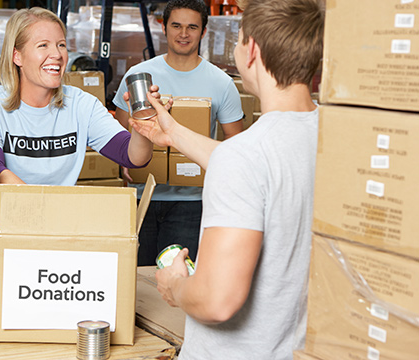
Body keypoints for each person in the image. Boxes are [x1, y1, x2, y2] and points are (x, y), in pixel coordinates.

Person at [128, 0, 324, 358]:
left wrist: (176, 285)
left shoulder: (246, 155)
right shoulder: (329, 135)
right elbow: (260, 167)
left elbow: (217, 301)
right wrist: (171, 133)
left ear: (252, 51)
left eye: (238, 40)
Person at [113, 0, 244, 266]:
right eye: (176, 25)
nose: (184, 34)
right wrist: (122, 165)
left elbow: (235, 141)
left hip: (191, 202)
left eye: (192, 27)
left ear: (203, 32)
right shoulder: (139, 76)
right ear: (164, 27)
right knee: (134, 280)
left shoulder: (221, 83)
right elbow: (119, 133)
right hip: (141, 196)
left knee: (180, 281)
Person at [0, 7, 152, 185]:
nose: (56, 54)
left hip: (59, 213)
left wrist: (143, 124)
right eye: (43, 45)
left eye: (61, 45)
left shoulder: (82, 105)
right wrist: (44, 209)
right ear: (17, 56)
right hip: (8, 213)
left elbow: (132, 157)